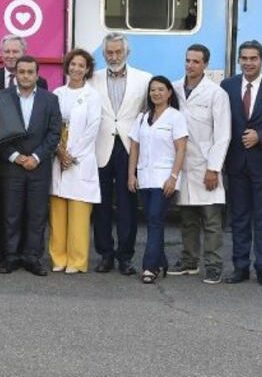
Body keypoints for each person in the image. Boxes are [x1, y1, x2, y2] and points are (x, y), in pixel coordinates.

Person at [220, 40, 262, 286]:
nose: (248, 63)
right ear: (239, 60)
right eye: (244, 58)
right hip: (236, 164)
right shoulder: (227, 86)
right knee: (239, 217)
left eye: (253, 58)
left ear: (261, 60)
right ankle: (240, 267)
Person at [89, 32, 151, 276]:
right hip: (100, 146)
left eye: (118, 52)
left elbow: (148, 113)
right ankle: (105, 254)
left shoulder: (144, 79)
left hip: (130, 147)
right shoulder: (92, 79)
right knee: (101, 205)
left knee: (127, 204)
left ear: (127, 53)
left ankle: (126, 256)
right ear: (103, 54)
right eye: (109, 53)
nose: (114, 57)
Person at [169, 45, 231, 284]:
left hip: (205, 165)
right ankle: (188, 262)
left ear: (205, 64)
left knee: (212, 221)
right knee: (188, 218)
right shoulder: (174, 88)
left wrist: (213, 168)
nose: (190, 65)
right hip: (182, 164)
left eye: (196, 61)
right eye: (187, 60)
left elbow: (223, 134)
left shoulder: (216, 93)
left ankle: (214, 265)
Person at [0, 56, 62, 276]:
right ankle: (11, 257)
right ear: (15, 74)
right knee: (11, 213)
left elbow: (54, 133)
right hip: (12, 166)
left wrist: (36, 156)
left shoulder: (50, 100)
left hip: (39, 166)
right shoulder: (2, 97)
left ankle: (32, 257)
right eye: (21, 72)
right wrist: (15, 156)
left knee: (36, 214)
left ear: (37, 74)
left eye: (30, 72)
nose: (25, 76)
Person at [0, 34, 46, 266]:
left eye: (15, 52)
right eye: (7, 52)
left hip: (28, 157)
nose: (11, 56)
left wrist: (29, 156)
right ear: (1, 54)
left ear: (23, 54)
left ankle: (22, 252)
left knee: (25, 208)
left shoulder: (40, 83)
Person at [127, 75, 188, 284]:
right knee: (153, 220)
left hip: (164, 179)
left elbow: (181, 149)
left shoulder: (175, 117)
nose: (156, 93)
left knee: (155, 219)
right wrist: (131, 174)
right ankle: (161, 261)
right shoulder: (143, 117)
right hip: (144, 178)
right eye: (153, 90)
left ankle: (149, 267)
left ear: (169, 92)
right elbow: (134, 146)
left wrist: (173, 177)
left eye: (161, 89)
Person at [49, 49, 102, 274]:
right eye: (73, 64)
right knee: (57, 212)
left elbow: (92, 129)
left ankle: (77, 260)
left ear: (87, 69)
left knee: (79, 213)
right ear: (67, 66)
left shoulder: (93, 96)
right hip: (57, 157)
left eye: (81, 65)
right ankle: (58, 258)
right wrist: (60, 152)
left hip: (80, 159)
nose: (76, 69)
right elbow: (50, 126)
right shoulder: (57, 93)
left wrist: (72, 155)